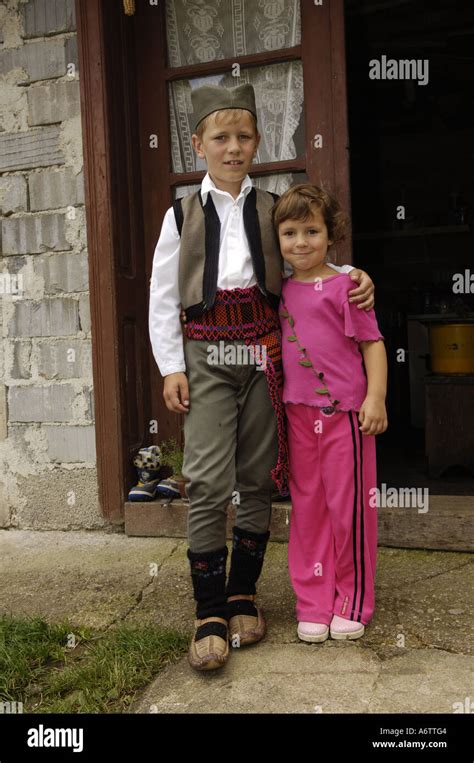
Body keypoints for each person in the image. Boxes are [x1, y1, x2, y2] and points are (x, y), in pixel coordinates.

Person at [148, 83, 376, 671]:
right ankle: (208, 609)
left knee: (257, 474)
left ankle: (243, 594)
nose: (232, 147)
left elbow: (310, 260)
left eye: (243, 136)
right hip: (205, 356)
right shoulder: (180, 215)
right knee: (204, 475)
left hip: (264, 356)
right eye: (219, 137)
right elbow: (161, 295)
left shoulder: (273, 206)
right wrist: (171, 364)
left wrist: (355, 274)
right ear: (197, 143)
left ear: (258, 142)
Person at [272, 183, 388, 643]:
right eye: (290, 233)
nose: (301, 242)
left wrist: (375, 398)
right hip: (299, 417)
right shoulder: (278, 291)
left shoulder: (347, 287)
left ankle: (352, 599)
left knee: (351, 508)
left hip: (345, 415)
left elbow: (372, 345)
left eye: (312, 231)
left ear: (330, 233)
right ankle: (313, 602)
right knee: (309, 509)